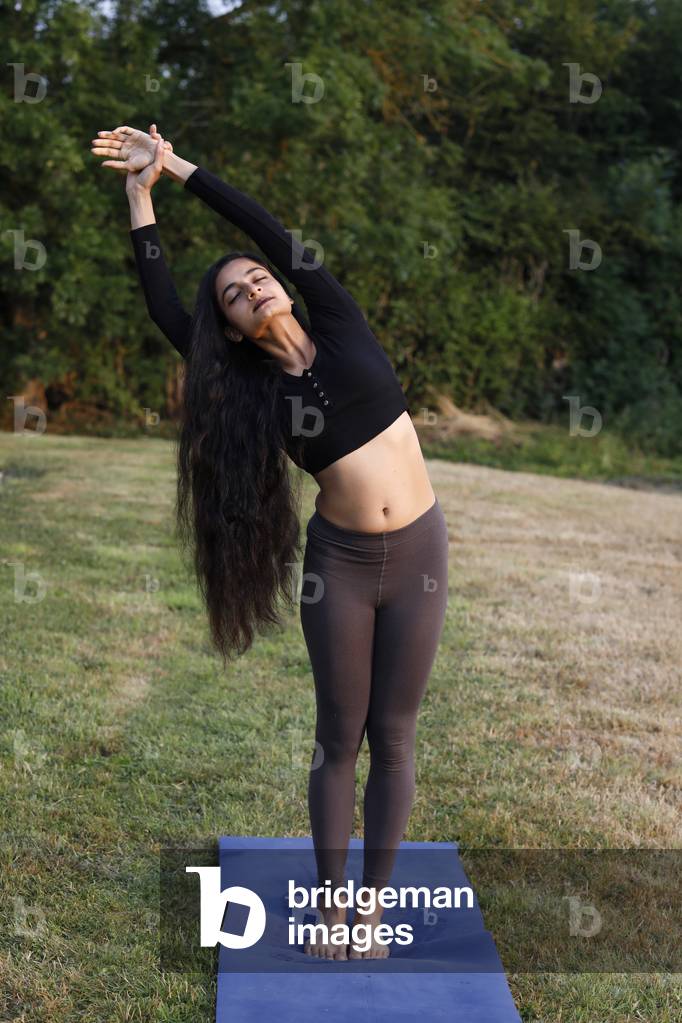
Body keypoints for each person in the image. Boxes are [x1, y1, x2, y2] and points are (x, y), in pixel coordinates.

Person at [90, 124, 450, 960]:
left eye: (257, 279)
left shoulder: (336, 314)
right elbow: (168, 311)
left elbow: (265, 227)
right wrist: (137, 203)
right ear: (237, 329)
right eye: (236, 297)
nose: (253, 287)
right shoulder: (252, 385)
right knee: (339, 733)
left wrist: (172, 166)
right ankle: (331, 907)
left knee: (394, 735)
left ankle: (372, 907)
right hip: (344, 568)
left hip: (423, 554)